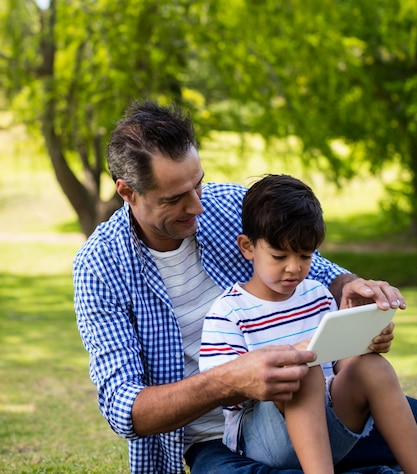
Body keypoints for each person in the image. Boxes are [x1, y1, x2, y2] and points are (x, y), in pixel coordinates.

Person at [73, 99, 413, 474]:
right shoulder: (100, 266)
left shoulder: (233, 204)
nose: (198, 206)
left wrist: (351, 290)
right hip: (218, 441)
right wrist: (229, 381)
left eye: (197, 184)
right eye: (174, 198)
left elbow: (316, 269)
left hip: (327, 411)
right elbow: (125, 409)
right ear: (128, 192)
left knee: (383, 399)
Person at [199, 174, 417, 474]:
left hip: (327, 427)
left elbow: (340, 365)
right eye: (279, 256)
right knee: (302, 372)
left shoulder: (316, 294)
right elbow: (223, 392)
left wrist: (366, 341)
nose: (294, 268)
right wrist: (291, 360)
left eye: (305, 255)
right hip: (262, 440)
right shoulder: (229, 311)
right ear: (248, 247)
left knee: (372, 366)